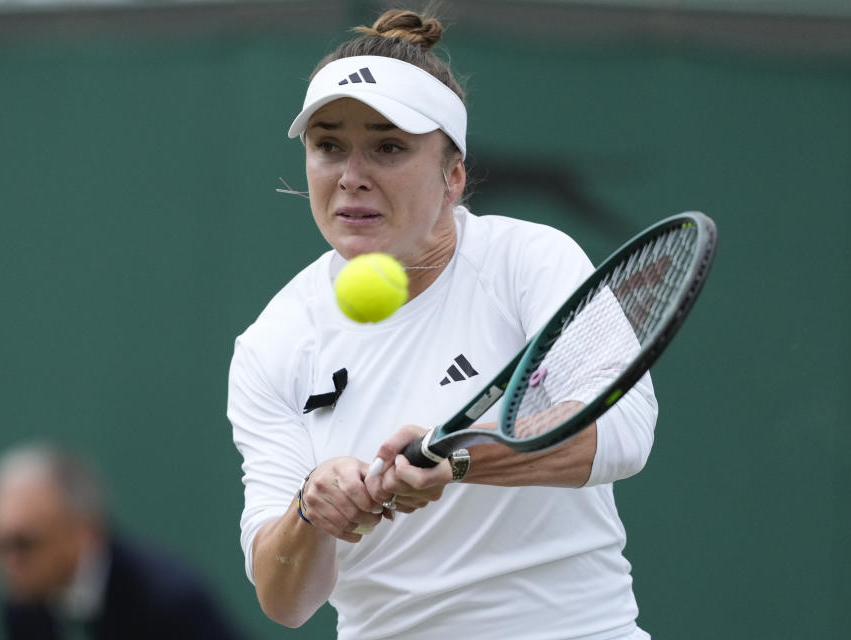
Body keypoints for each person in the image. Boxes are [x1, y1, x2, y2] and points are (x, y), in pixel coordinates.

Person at [228, 8, 658, 640]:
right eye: (328, 145)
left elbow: (622, 429)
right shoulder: (273, 343)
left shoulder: (528, 262)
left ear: (453, 176)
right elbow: (285, 600)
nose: (351, 175)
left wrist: (459, 456)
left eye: (389, 146)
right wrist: (310, 509)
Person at [0, 443, 244, 640]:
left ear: (83, 532)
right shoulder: (21, 607)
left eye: (23, 543)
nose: (7, 561)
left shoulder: (168, 602)